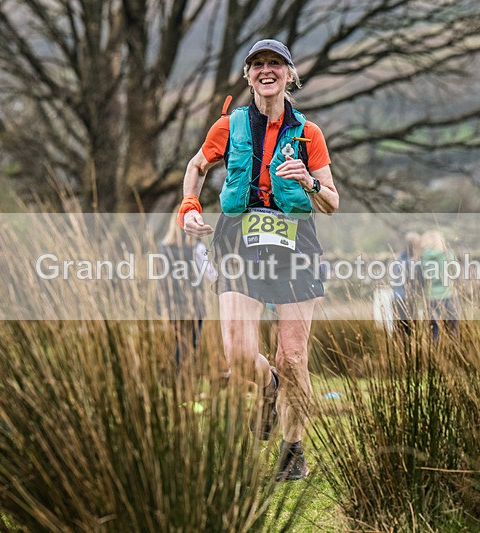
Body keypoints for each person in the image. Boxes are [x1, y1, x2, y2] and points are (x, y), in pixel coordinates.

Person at [179, 38, 339, 481]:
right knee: (237, 351)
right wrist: (189, 206)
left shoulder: (309, 134)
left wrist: (307, 181)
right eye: (258, 64)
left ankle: (293, 450)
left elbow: (332, 201)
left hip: (295, 246)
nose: (266, 71)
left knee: (292, 358)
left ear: (289, 75)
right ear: (248, 75)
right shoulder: (228, 127)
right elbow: (196, 166)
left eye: (276, 64)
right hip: (238, 241)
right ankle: (269, 389)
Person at [157, 208, 217, 370]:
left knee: (178, 342)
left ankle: (177, 377)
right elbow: (211, 274)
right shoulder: (196, 248)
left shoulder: (163, 247)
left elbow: (161, 278)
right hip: (193, 304)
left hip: (171, 305)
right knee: (191, 343)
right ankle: (185, 378)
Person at [419, 230, 459, 342]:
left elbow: (420, 279)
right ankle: (454, 356)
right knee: (453, 332)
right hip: (449, 296)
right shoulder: (448, 255)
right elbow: (455, 274)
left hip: (431, 298)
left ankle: (436, 357)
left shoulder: (422, 258)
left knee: (434, 332)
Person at [392, 231, 421, 339]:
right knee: (410, 331)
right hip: (408, 298)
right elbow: (417, 281)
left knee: (399, 331)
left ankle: (398, 353)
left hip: (396, 297)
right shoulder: (414, 260)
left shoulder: (399, 257)